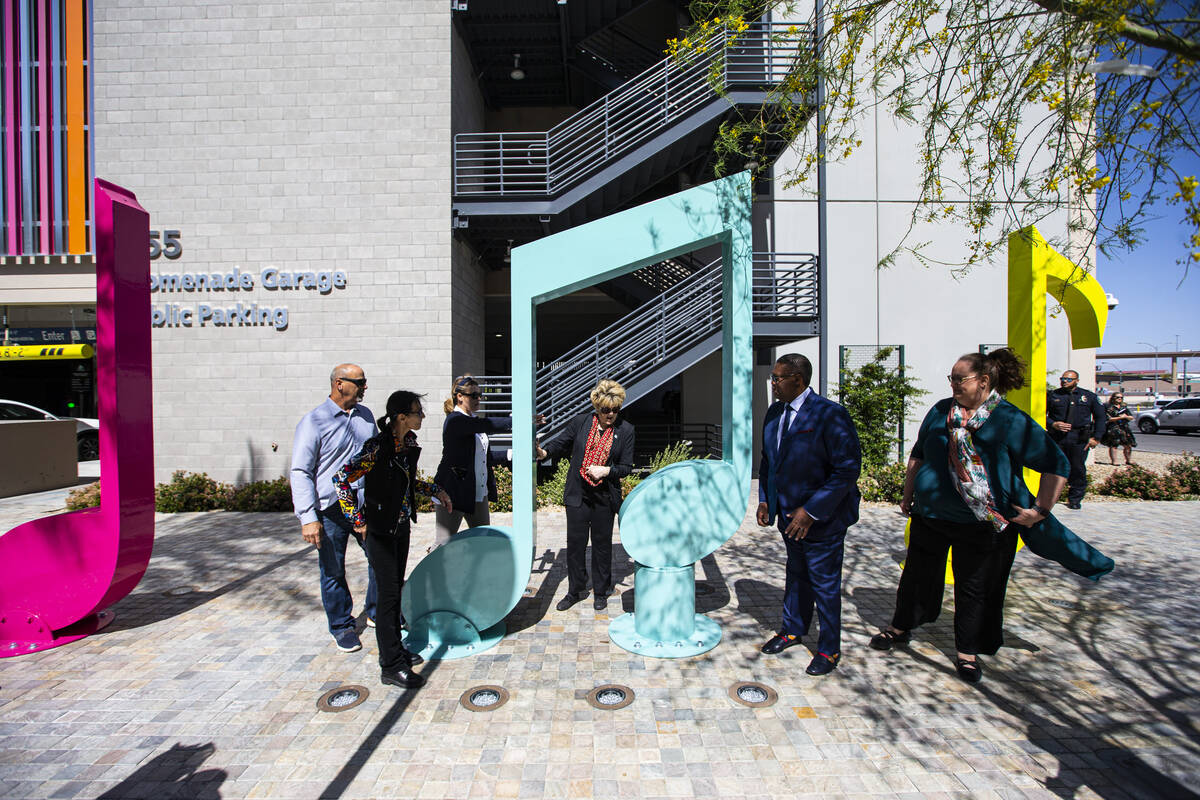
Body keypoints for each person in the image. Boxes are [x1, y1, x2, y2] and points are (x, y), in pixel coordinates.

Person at [869, 349, 1113, 685]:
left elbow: (1057, 464)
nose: (953, 384)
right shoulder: (941, 411)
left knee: (975, 588)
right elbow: (919, 454)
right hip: (932, 515)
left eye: (960, 379)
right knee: (917, 576)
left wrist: (1041, 510)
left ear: (983, 381)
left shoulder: (1009, 419)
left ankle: (967, 652)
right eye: (951, 379)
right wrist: (908, 495)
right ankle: (901, 628)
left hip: (984, 523)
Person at [333, 391, 452, 690]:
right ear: (401, 416)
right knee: (387, 600)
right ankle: (390, 666)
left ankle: (397, 651)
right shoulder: (377, 447)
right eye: (417, 412)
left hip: (400, 528)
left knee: (394, 593)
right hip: (380, 531)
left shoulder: (407, 444)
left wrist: (435, 489)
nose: (422, 417)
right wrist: (356, 519)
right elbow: (341, 479)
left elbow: (408, 480)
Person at [756, 353, 862, 676]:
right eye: (773, 378)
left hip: (822, 522)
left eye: (778, 378)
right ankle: (792, 630)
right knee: (796, 575)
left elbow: (847, 470)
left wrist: (812, 511)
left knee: (825, 585)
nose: (772, 384)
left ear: (798, 381)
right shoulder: (775, 412)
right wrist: (765, 500)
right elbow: (768, 460)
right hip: (788, 518)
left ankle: (828, 650)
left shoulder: (830, 415)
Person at [289, 363, 379, 654]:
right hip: (331, 509)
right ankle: (342, 626)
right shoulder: (314, 422)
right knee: (333, 570)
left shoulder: (366, 416)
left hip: (364, 506)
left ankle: (377, 611)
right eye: (360, 381)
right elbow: (301, 470)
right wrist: (307, 517)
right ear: (339, 383)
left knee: (380, 559)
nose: (365, 386)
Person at [537, 379, 634, 612]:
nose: (610, 414)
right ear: (597, 407)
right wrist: (542, 452)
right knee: (576, 544)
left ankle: (601, 591)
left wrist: (607, 470)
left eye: (615, 410)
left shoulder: (626, 430)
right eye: (605, 410)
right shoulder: (581, 422)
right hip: (578, 494)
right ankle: (576, 590)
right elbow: (560, 445)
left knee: (602, 546)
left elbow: (627, 466)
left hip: (604, 498)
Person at [432, 375, 513, 546]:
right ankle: (433, 573)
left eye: (479, 395)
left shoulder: (472, 423)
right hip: (453, 493)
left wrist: (511, 454)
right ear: (459, 397)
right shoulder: (455, 420)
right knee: (442, 546)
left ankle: (477, 573)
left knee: (482, 543)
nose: (478, 399)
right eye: (473, 395)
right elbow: (488, 424)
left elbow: (486, 458)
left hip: (477, 492)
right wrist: (515, 421)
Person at [1046, 370, 1106, 509]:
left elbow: (1101, 417)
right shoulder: (1053, 395)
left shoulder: (1088, 396)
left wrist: (1096, 438)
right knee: (1054, 467)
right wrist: (1053, 424)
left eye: (1068, 379)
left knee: (1077, 468)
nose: (1064, 381)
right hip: (1057, 437)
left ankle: (1075, 499)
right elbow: (1041, 414)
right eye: (1063, 379)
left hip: (1079, 438)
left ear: (1076, 380)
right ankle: (1049, 498)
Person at [1100, 392, 1137, 465]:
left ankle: (1128, 460)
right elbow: (1108, 418)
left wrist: (1126, 417)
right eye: (1117, 397)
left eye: (1121, 397)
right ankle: (1114, 461)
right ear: (1113, 398)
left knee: (1128, 444)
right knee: (1114, 445)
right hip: (1113, 428)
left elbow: (1131, 417)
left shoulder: (1124, 407)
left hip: (1124, 428)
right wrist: (1120, 417)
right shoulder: (1108, 407)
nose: (1119, 399)